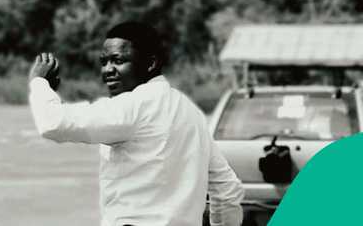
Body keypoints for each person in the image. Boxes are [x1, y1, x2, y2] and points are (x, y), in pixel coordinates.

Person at [27, 21, 244, 226]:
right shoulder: (192, 114)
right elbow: (227, 190)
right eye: (104, 61)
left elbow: (53, 123)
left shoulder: (133, 106)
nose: (107, 70)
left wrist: (39, 83)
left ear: (150, 63)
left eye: (118, 60)